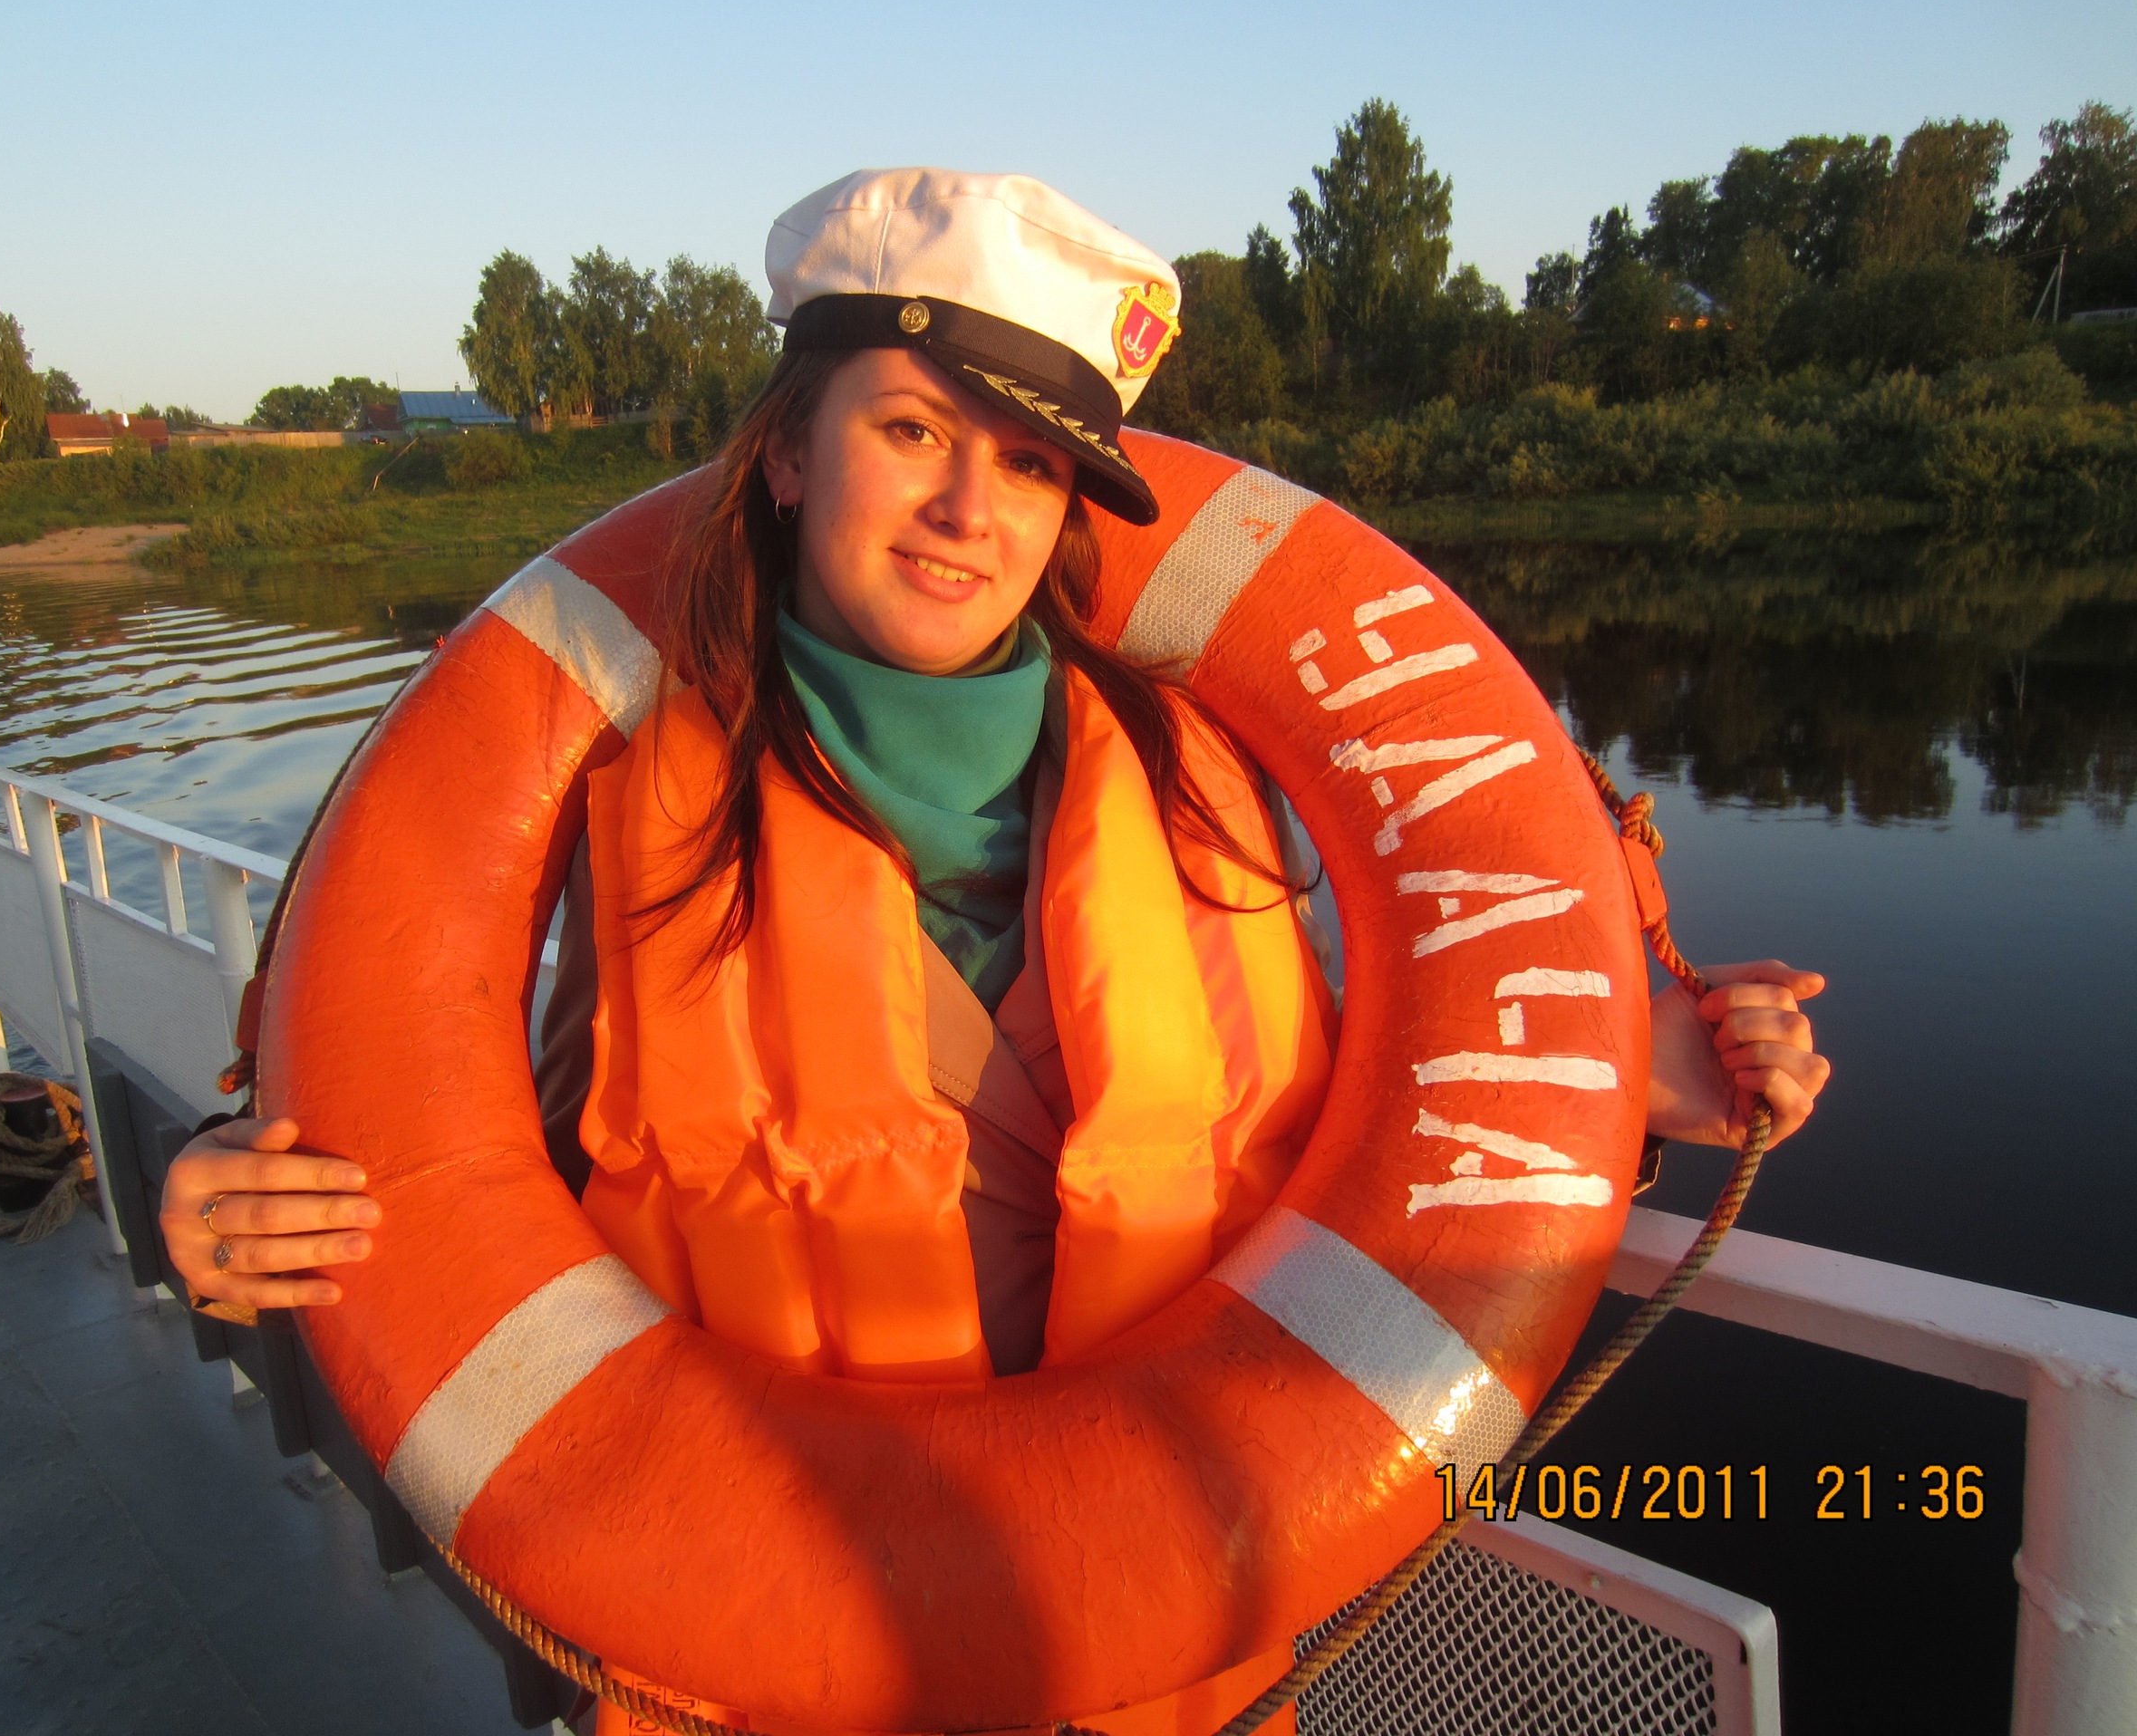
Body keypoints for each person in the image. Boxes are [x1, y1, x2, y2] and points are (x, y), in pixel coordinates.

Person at [160, 169, 1832, 1728]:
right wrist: (248, 1206)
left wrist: (1629, 1083)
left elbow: (1363, 1112)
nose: (970, 508)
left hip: (1168, 1664)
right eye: (912, 431)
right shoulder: (634, 821)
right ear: (792, 454)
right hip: (768, 1648)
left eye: (1031, 465)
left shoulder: (1205, 784)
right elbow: (479, 1180)